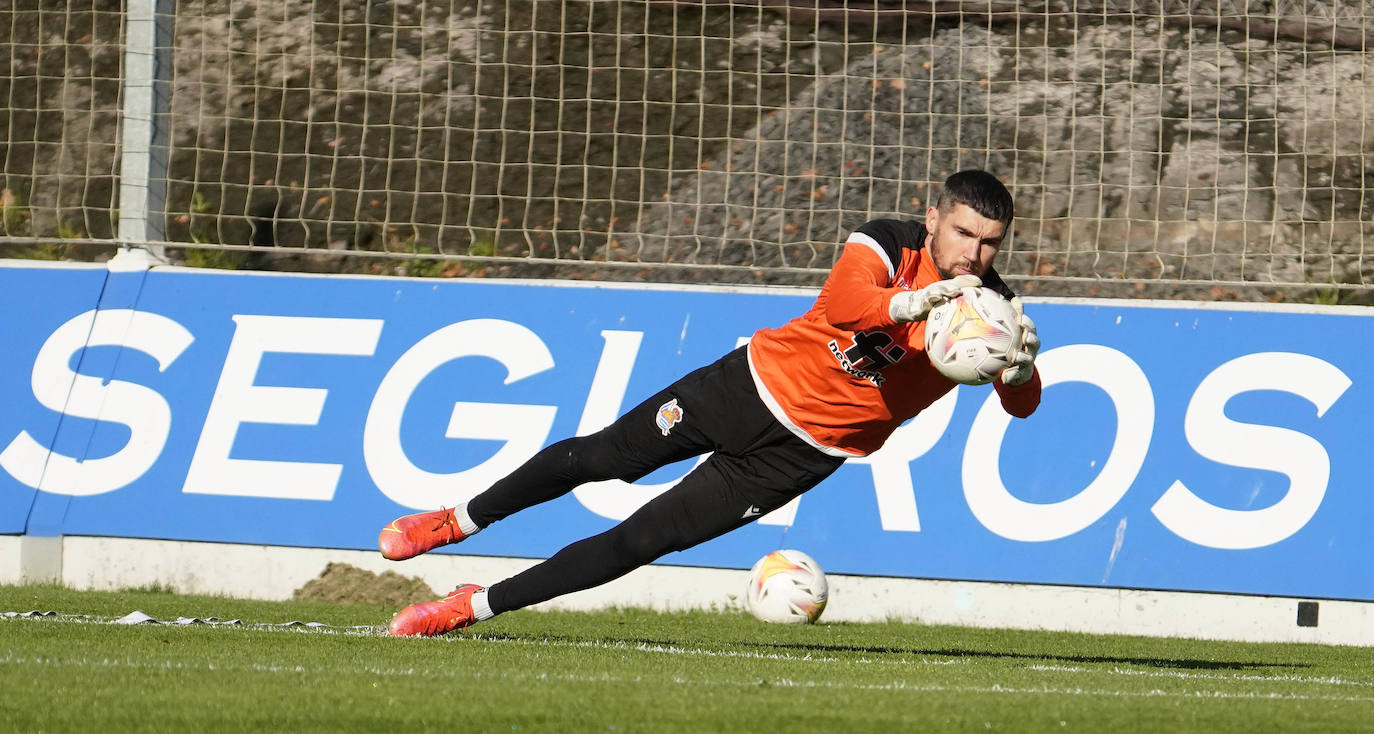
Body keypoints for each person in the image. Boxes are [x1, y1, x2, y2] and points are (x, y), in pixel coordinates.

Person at [380, 169, 1042, 637]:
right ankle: (457, 521)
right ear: (934, 219)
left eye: (989, 244)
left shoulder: (991, 312)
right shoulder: (888, 243)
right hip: (744, 390)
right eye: (963, 235)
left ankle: (473, 607)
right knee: (602, 456)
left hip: (798, 458)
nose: (973, 256)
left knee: (641, 539)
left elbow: (1022, 408)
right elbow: (844, 303)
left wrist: (1019, 369)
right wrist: (908, 303)